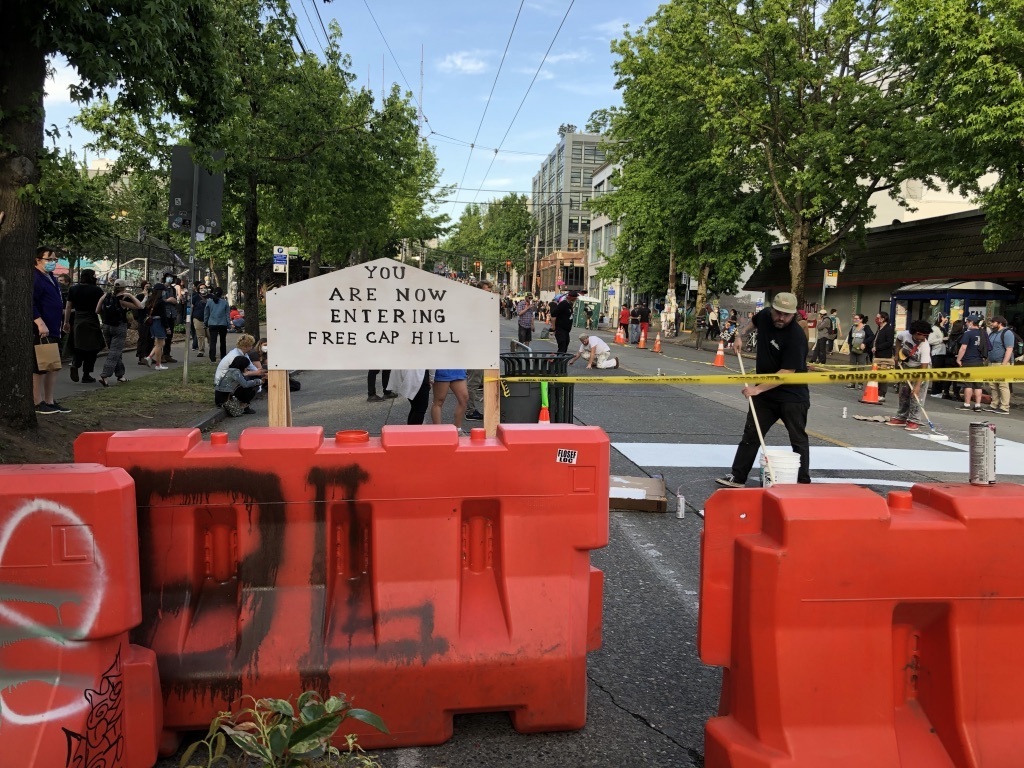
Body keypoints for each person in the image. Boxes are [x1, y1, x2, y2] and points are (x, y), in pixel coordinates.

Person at [716, 292, 811, 487]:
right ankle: (738, 476)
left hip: (792, 396)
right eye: (778, 313)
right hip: (765, 396)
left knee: (798, 438)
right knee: (751, 435)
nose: (781, 318)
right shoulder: (765, 315)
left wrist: (757, 390)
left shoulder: (796, 337)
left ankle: (802, 480)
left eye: (787, 315)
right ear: (772, 309)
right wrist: (740, 335)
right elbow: (752, 324)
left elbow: (787, 372)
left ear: (794, 315)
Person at [32, 247, 71, 414]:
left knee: (53, 366)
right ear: (38, 260)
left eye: (55, 259)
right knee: (41, 365)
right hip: (43, 329)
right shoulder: (35, 277)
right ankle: (37, 401)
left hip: (54, 327)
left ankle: (49, 400)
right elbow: (31, 302)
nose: (53, 263)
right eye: (49, 259)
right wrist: (39, 322)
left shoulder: (52, 278)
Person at [885, 320, 933, 431]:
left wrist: (917, 386)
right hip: (907, 366)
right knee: (904, 392)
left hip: (921, 369)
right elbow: (898, 340)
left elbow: (924, 368)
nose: (923, 338)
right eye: (921, 335)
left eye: (926, 335)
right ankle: (901, 417)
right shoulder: (905, 334)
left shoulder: (925, 346)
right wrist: (896, 354)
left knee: (916, 395)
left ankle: (914, 420)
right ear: (914, 333)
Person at [96, 279, 143, 386]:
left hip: (106, 326)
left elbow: (97, 310)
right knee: (114, 352)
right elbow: (140, 306)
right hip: (119, 327)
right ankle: (104, 375)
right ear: (124, 288)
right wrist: (130, 296)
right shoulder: (122, 299)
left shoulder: (105, 296)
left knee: (116, 351)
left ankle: (120, 375)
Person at [63, 269, 105, 383]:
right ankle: (86, 374)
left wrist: (66, 322)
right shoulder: (97, 290)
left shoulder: (73, 289)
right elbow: (101, 307)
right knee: (93, 347)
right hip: (91, 319)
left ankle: (75, 364)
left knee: (78, 345)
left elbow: (68, 307)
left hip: (78, 319)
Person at [955, 314, 986, 412]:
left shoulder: (968, 334)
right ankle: (977, 405)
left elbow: (963, 348)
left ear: (971, 323)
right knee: (978, 385)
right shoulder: (983, 333)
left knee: (967, 384)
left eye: (967, 322)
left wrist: (958, 359)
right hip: (979, 361)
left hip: (968, 361)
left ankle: (967, 404)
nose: (966, 323)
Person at [984, 315, 1014, 415]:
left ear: (999, 323)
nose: (991, 324)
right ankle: (994, 404)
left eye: (993, 322)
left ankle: (1005, 407)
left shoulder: (1007, 333)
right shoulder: (992, 333)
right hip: (992, 363)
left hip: (1002, 363)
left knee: (1003, 385)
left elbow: (1009, 349)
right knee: (993, 385)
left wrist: (1004, 364)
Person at [431, 368, 469, 434]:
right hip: (441, 369)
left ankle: (458, 429)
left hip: (457, 369)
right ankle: (437, 431)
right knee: (439, 401)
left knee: (464, 399)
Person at [142, 284, 170, 369]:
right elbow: (163, 316)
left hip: (152, 322)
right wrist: (167, 327)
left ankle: (149, 357)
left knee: (160, 343)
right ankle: (158, 364)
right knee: (159, 345)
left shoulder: (151, 299)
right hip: (159, 323)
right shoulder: (160, 301)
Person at [844, 313, 874, 389]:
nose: (855, 320)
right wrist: (850, 345)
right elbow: (850, 337)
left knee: (861, 367)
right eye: (854, 318)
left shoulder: (866, 327)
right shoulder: (853, 327)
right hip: (853, 349)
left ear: (861, 319)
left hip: (862, 351)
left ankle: (860, 383)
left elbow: (871, 336)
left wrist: (864, 343)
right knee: (852, 366)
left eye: (857, 319)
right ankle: (852, 383)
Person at [871, 311, 895, 404]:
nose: (876, 319)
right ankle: (877, 392)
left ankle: (882, 394)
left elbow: (889, 342)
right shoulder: (879, 328)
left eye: (878, 317)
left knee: (883, 375)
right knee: (877, 374)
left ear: (883, 318)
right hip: (877, 355)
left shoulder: (888, 329)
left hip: (884, 356)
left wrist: (878, 347)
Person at [204, 286, 230, 362]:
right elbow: (227, 315)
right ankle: (223, 357)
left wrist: (205, 323)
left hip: (212, 323)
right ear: (221, 294)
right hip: (223, 324)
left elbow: (206, 314)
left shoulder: (209, 302)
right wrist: (228, 324)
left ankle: (212, 358)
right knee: (223, 341)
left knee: (213, 341)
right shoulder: (225, 303)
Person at [134, 280, 152, 366]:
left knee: (150, 338)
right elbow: (140, 306)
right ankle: (141, 357)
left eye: (149, 287)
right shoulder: (140, 296)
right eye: (146, 287)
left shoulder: (151, 296)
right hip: (142, 319)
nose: (148, 289)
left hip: (149, 319)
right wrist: (145, 296)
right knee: (143, 338)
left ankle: (148, 356)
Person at [191, 282, 208, 356]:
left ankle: (212, 349)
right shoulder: (195, 297)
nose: (203, 289)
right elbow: (191, 307)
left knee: (210, 335)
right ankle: (201, 350)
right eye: (201, 288)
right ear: (198, 290)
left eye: (204, 288)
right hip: (198, 318)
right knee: (200, 336)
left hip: (209, 319)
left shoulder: (211, 297)